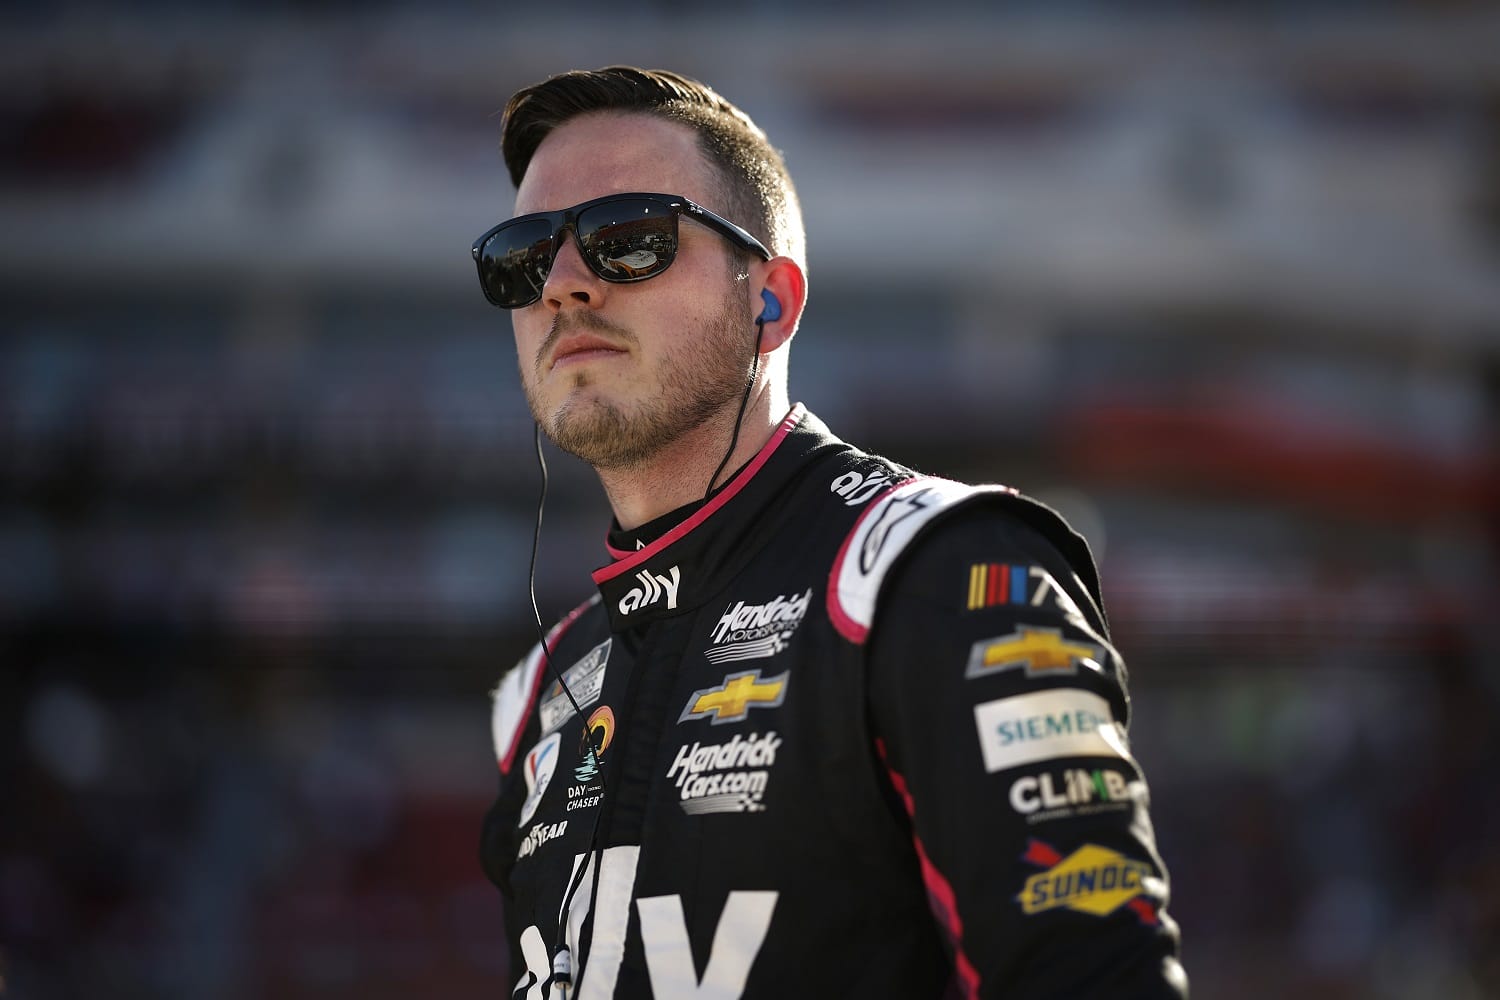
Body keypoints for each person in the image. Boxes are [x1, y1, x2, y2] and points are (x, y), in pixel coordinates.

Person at [475, 66, 1188, 999]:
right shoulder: (540, 694)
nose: (563, 285)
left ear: (770, 301)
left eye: (627, 239)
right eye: (524, 257)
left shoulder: (940, 572)